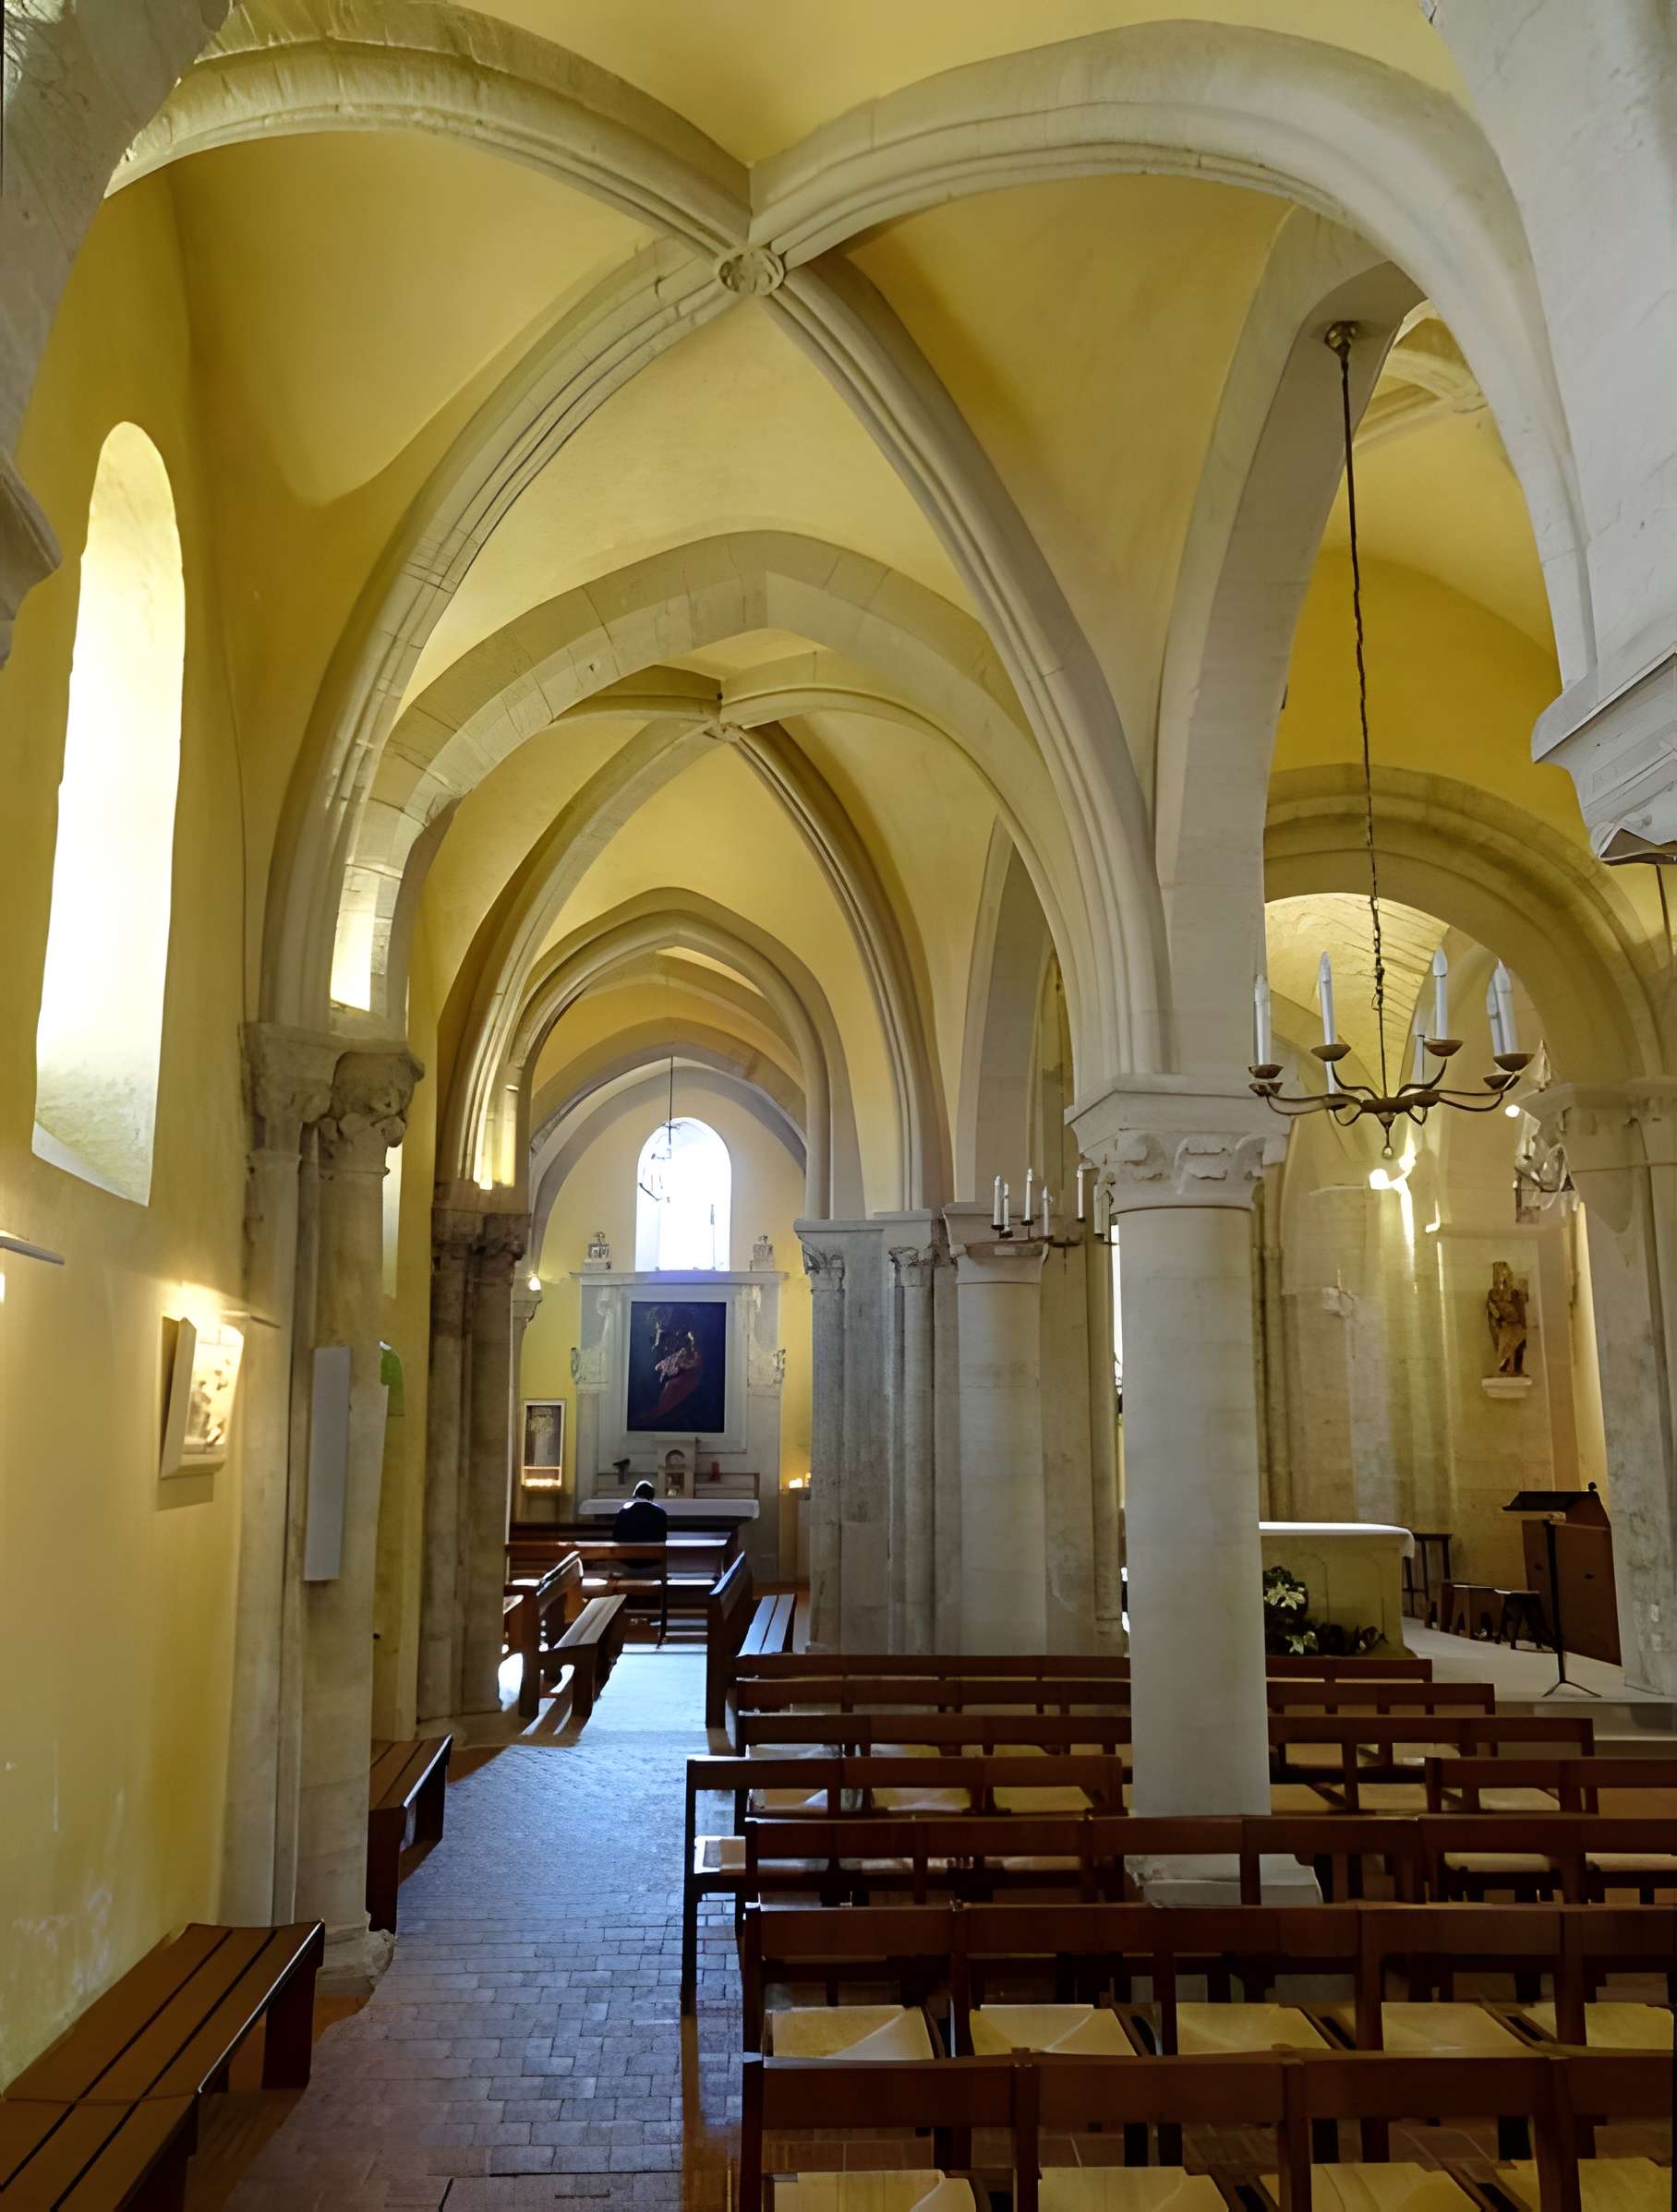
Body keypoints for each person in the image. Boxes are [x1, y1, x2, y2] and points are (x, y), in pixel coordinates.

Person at [613, 1479, 669, 1544]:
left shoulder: (623, 1512)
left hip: (628, 1551)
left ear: (636, 1495)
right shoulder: (661, 1513)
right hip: (653, 1552)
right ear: (652, 1496)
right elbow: (663, 1538)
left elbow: (616, 1537)